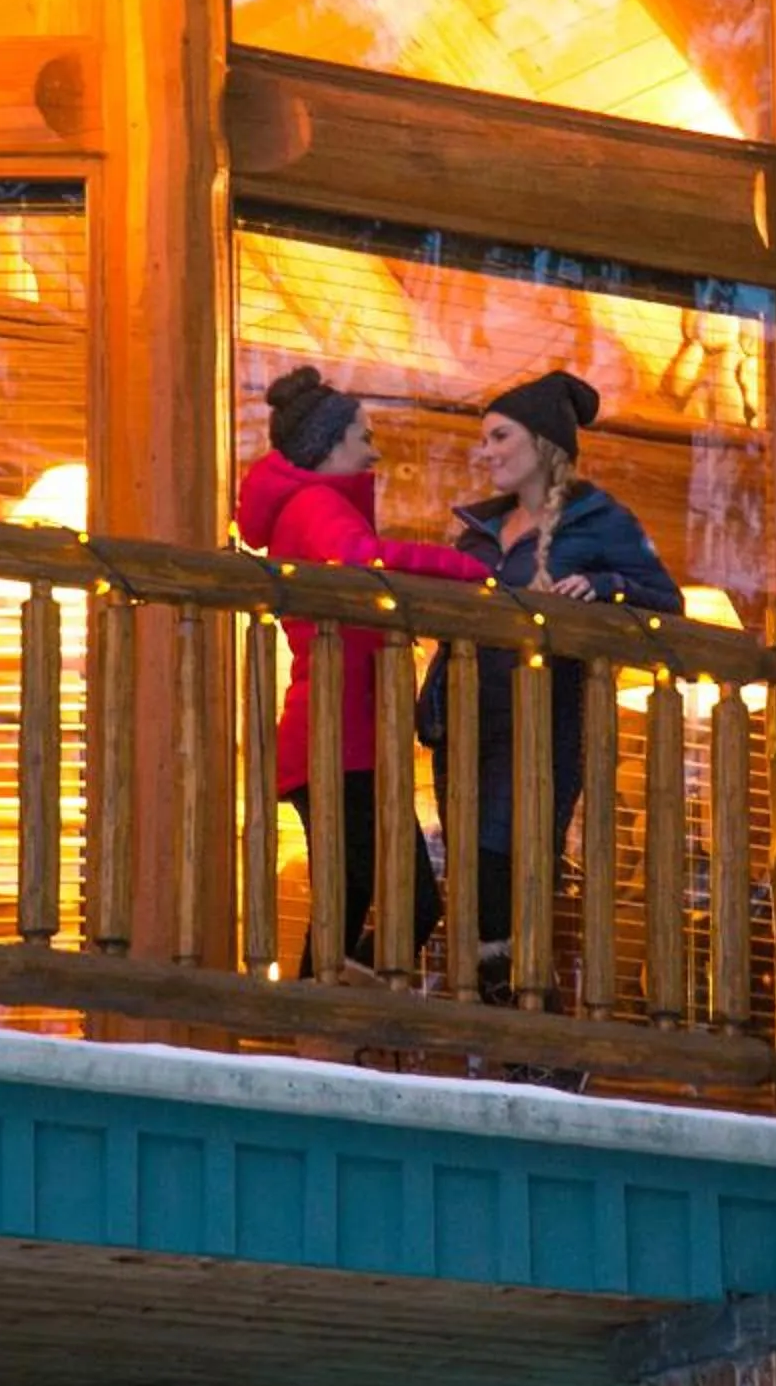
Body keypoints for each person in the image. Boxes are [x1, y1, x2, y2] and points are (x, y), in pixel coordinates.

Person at [426, 370, 683, 1004]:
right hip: (463, 720)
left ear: (544, 444)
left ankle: (520, 1002)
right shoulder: (477, 530)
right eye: (482, 439)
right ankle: (499, 1006)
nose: (484, 452)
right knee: (469, 862)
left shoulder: (599, 520)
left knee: (507, 856)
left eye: (498, 437)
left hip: (540, 723)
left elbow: (667, 600)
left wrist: (604, 587)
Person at [235, 367, 484, 981]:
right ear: (329, 445)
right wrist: (463, 567)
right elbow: (361, 558)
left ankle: (341, 1007)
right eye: (362, 436)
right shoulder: (315, 503)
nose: (373, 450)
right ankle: (322, 1021)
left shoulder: (309, 505)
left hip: (349, 740)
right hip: (333, 740)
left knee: (395, 901)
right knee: (363, 901)